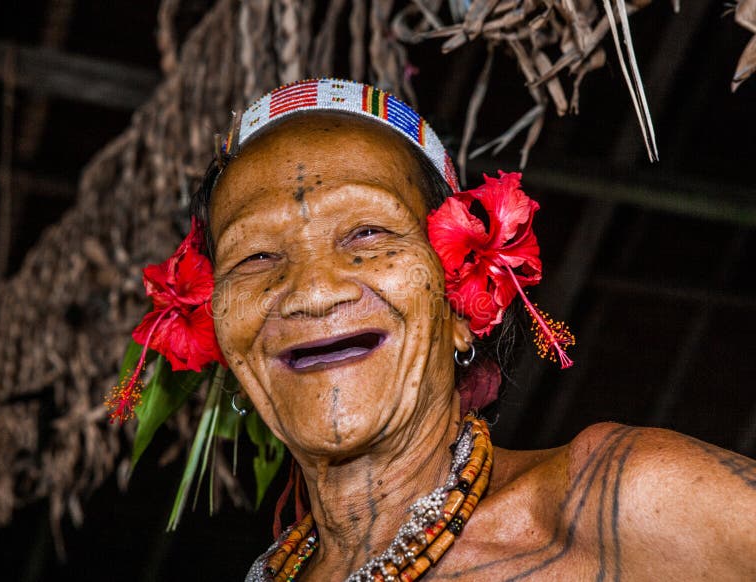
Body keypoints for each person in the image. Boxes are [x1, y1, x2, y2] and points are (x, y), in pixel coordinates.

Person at [186, 79, 756, 581]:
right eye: (255, 256)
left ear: (461, 304)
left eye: (366, 233)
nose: (311, 292)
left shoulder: (619, 505)